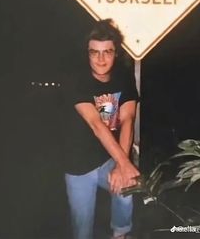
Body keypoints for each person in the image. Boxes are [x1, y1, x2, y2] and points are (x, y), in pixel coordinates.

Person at [62, 19, 140, 239]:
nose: (101, 59)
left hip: (108, 157)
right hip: (78, 164)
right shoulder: (77, 80)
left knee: (127, 187)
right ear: (87, 54)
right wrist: (124, 164)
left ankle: (120, 234)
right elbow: (97, 125)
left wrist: (120, 165)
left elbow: (127, 119)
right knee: (82, 228)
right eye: (94, 52)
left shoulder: (123, 76)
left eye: (107, 52)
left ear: (116, 53)